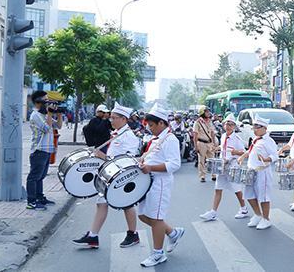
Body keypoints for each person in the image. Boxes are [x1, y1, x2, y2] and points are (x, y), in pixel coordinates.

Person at [72, 103, 141, 249]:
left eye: (114, 118)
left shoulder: (128, 136)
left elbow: (128, 161)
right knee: (101, 204)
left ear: (124, 119)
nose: (111, 120)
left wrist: (103, 157)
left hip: (120, 178)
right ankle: (93, 236)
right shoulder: (117, 133)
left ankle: (132, 234)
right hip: (109, 176)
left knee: (127, 205)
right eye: (111, 118)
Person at [137, 104, 183, 267]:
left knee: (156, 218)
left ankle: (158, 253)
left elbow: (174, 164)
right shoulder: (155, 139)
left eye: (151, 125)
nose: (149, 128)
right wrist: (143, 161)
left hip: (160, 182)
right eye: (148, 125)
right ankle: (173, 232)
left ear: (162, 123)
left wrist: (150, 167)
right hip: (148, 181)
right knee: (142, 215)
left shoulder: (170, 139)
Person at [199, 114, 249, 221]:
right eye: (227, 124)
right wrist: (217, 148)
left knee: (237, 190)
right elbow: (223, 147)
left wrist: (235, 152)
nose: (228, 126)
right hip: (222, 167)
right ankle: (213, 212)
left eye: (231, 124)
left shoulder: (237, 138)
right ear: (223, 125)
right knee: (218, 188)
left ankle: (244, 209)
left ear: (234, 127)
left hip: (232, 166)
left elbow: (243, 152)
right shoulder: (223, 136)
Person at [237, 115, 278, 230]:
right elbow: (251, 150)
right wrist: (243, 157)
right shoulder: (256, 139)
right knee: (249, 194)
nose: (254, 130)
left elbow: (275, 155)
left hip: (262, 172)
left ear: (264, 128)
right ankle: (258, 214)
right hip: (251, 171)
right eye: (253, 127)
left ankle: (266, 219)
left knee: (264, 197)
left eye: (257, 127)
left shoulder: (268, 141)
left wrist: (266, 159)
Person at [26, 91, 63, 210]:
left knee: (41, 176)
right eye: (45, 101)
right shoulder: (35, 115)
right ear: (38, 102)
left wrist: (59, 114)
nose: (48, 104)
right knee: (34, 177)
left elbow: (59, 126)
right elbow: (47, 129)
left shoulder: (44, 115)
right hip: (39, 150)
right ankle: (31, 201)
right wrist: (50, 114)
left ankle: (39, 197)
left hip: (47, 150)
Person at [193, 106, 218, 182]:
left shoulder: (210, 121)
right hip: (201, 143)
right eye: (206, 111)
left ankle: (214, 175)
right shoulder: (197, 122)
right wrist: (195, 146)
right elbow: (195, 135)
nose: (208, 113)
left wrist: (214, 143)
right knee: (201, 160)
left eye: (208, 111)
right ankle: (202, 176)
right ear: (202, 113)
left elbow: (212, 133)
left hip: (209, 143)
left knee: (212, 159)